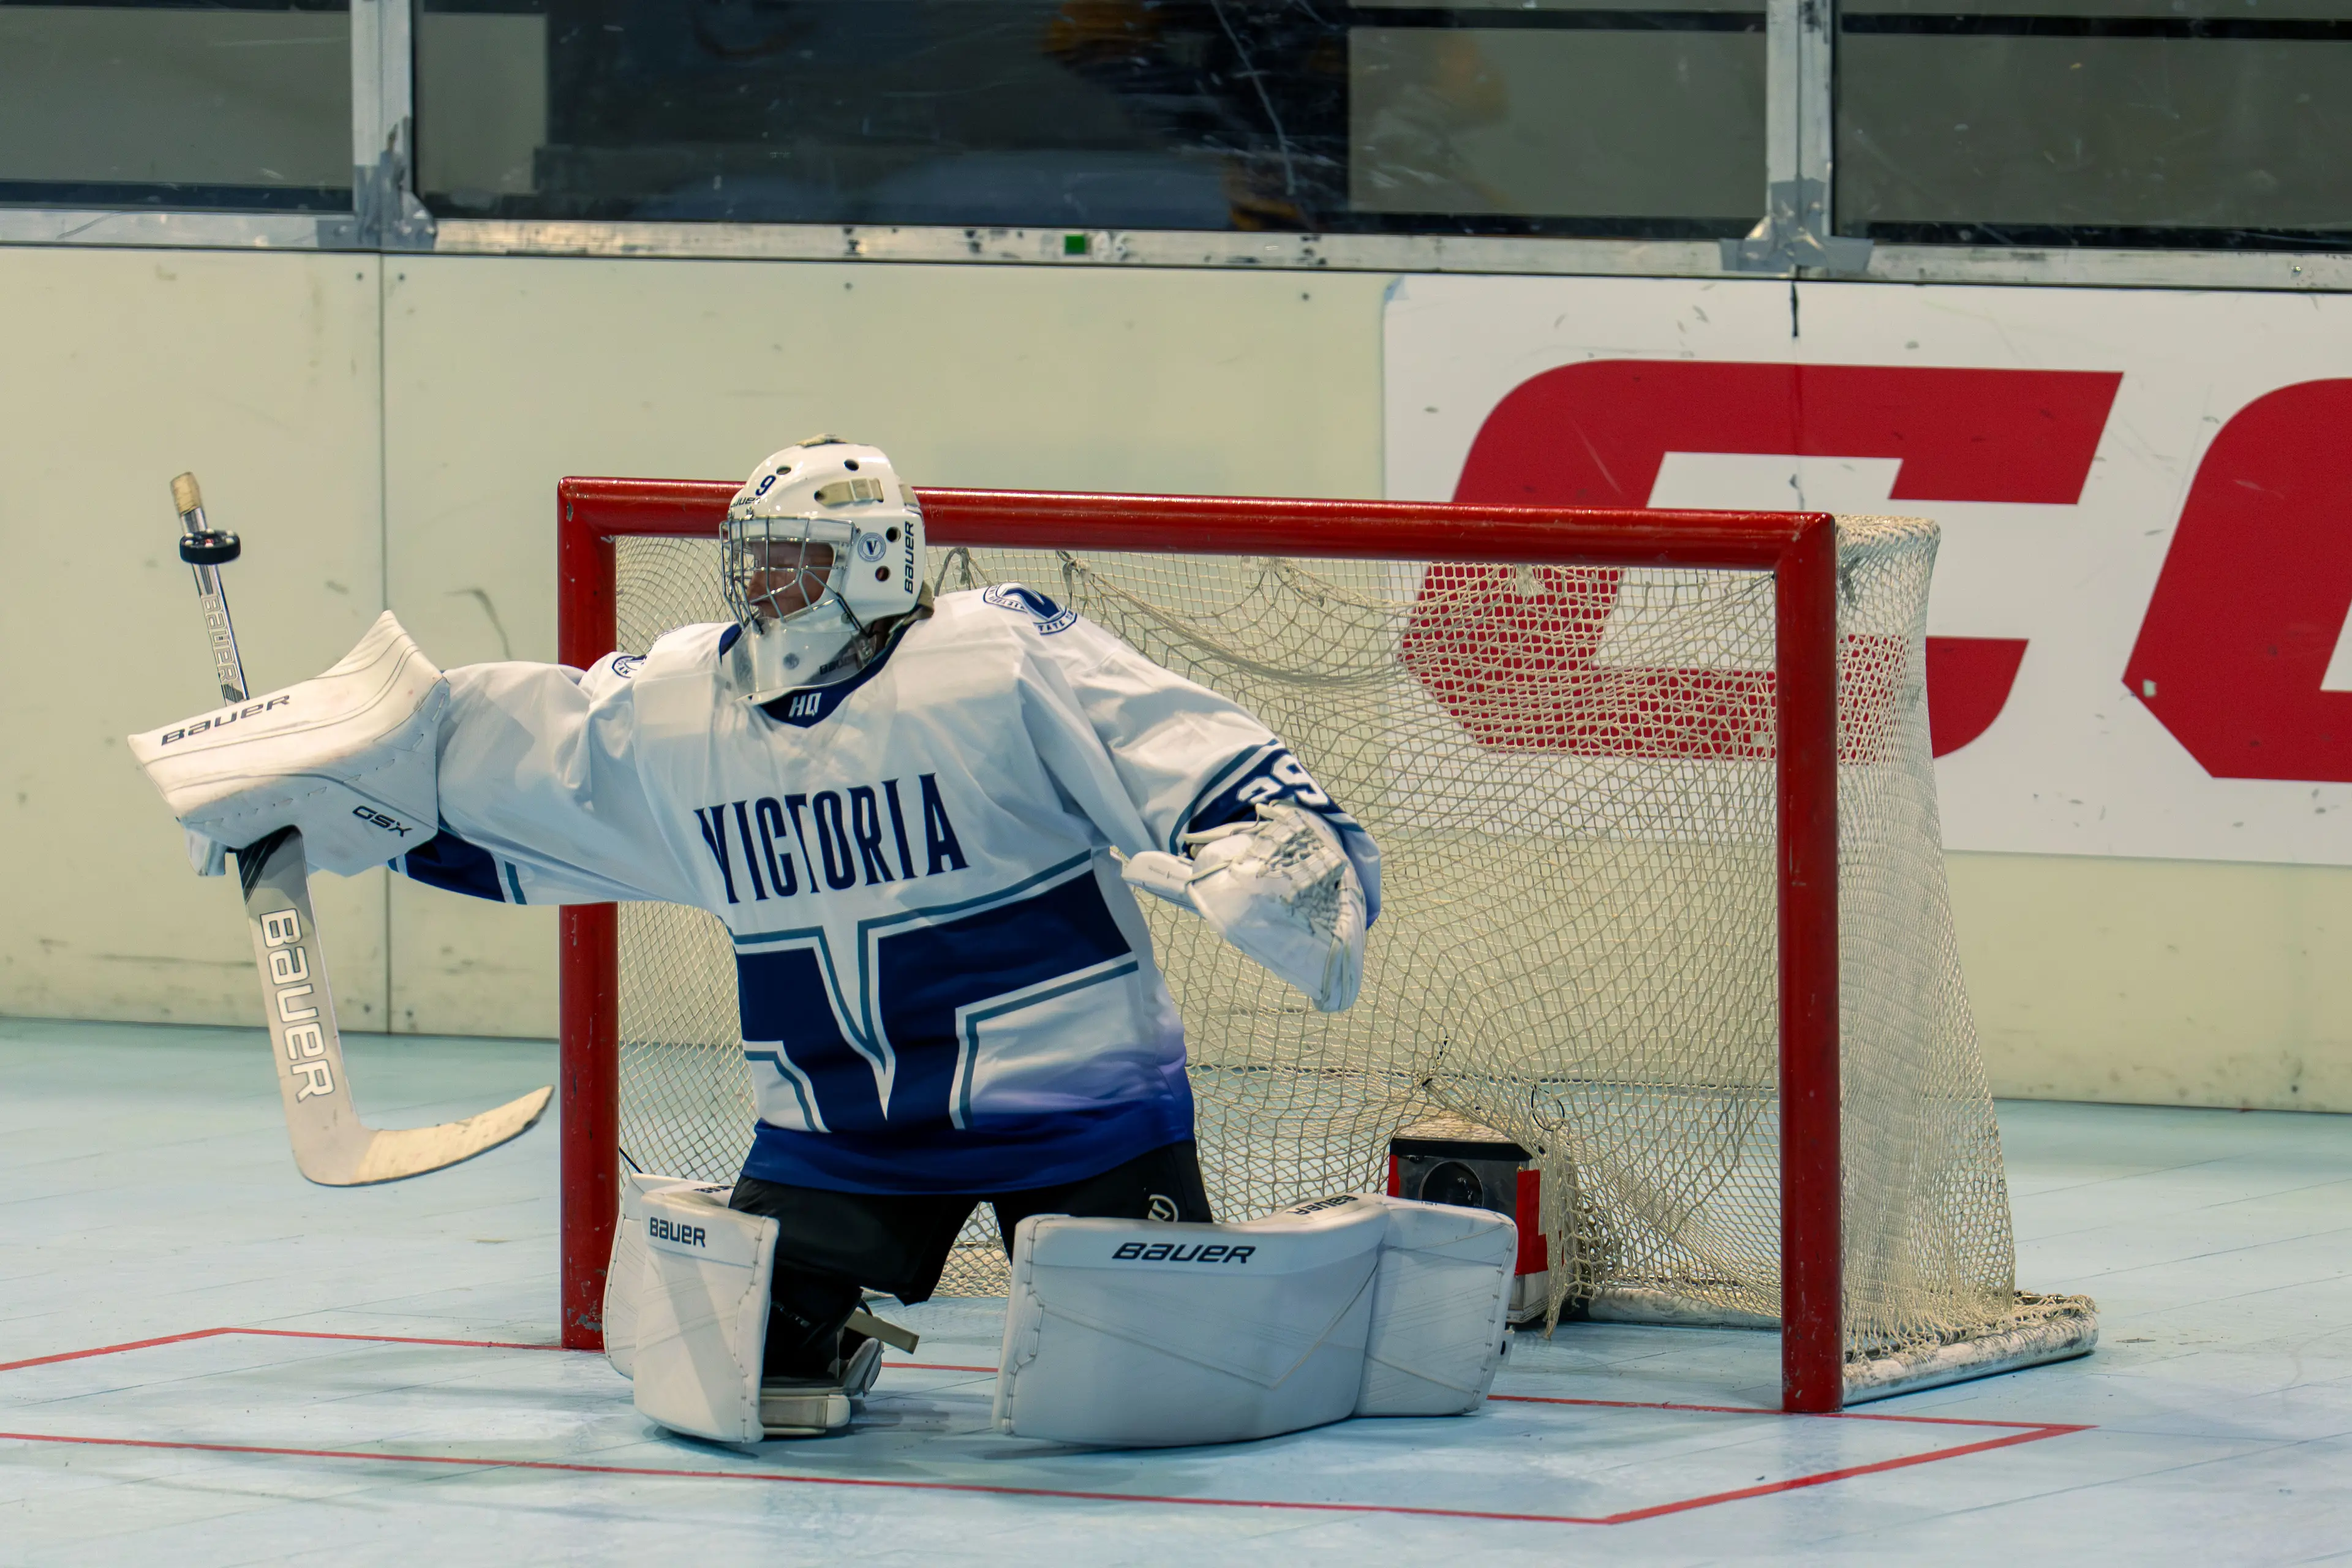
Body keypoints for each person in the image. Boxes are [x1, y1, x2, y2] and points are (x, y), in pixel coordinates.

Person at [141, 437, 1378, 1434]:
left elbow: (1181, 741)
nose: (759, 584)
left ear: (880, 561)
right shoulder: (691, 704)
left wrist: (1274, 845)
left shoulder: (997, 653)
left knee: (1152, 1395)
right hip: (838, 1133)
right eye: (752, 556)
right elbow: (541, 772)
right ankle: (832, 1319)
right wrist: (328, 794)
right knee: (738, 1384)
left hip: (1080, 1113)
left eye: (793, 557)